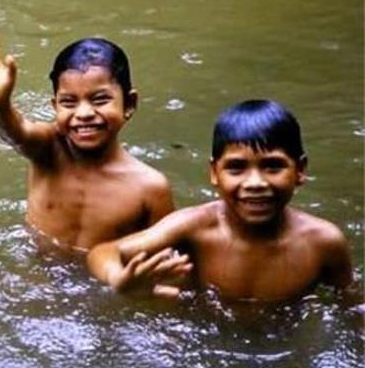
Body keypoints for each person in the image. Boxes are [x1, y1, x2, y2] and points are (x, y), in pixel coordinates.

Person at [86, 100, 355, 301]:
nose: (255, 183)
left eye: (273, 166)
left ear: (300, 170)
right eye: (236, 168)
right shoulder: (193, 227)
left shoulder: (324, 243)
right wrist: (119, 279)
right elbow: (103, 252)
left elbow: (351, 304)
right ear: (214, 173)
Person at [0, 27, 173, 250]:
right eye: (69, 102)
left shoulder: (149, 188)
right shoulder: (48, 148)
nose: (83, 113)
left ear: (129, 104)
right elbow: (16, 133)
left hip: (100, 282)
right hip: (37, 275)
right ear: (55, 107)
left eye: (100, 99)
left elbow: (168, 260)